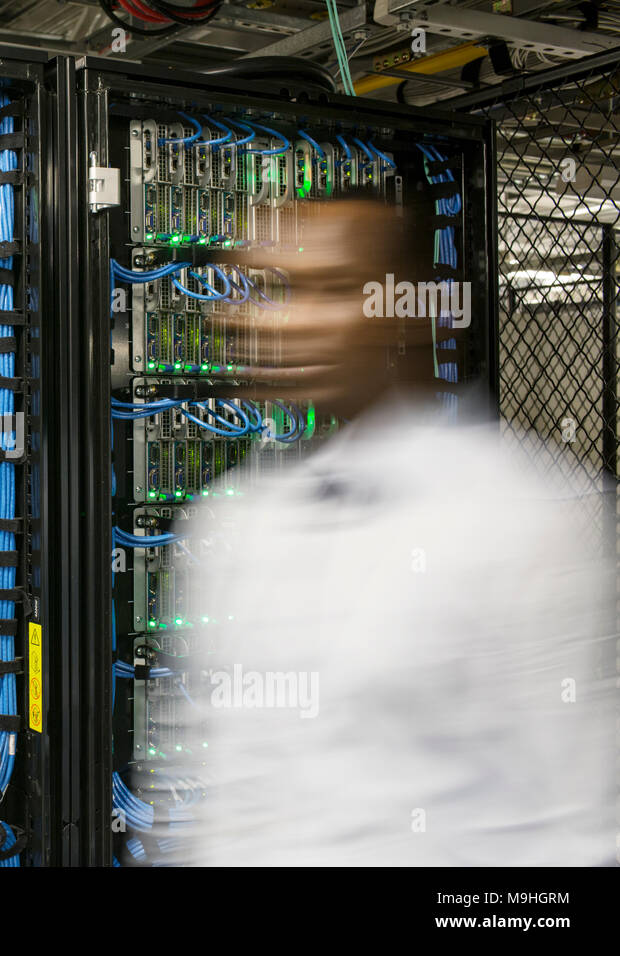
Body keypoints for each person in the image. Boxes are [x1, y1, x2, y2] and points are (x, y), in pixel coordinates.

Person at [155, 197, 616, 866]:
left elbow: (580, 827)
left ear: (400, 309)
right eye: (262, 290)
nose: (276, 321)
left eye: (328, 290)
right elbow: (220, 796)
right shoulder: (233, 522)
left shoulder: (522, 516)